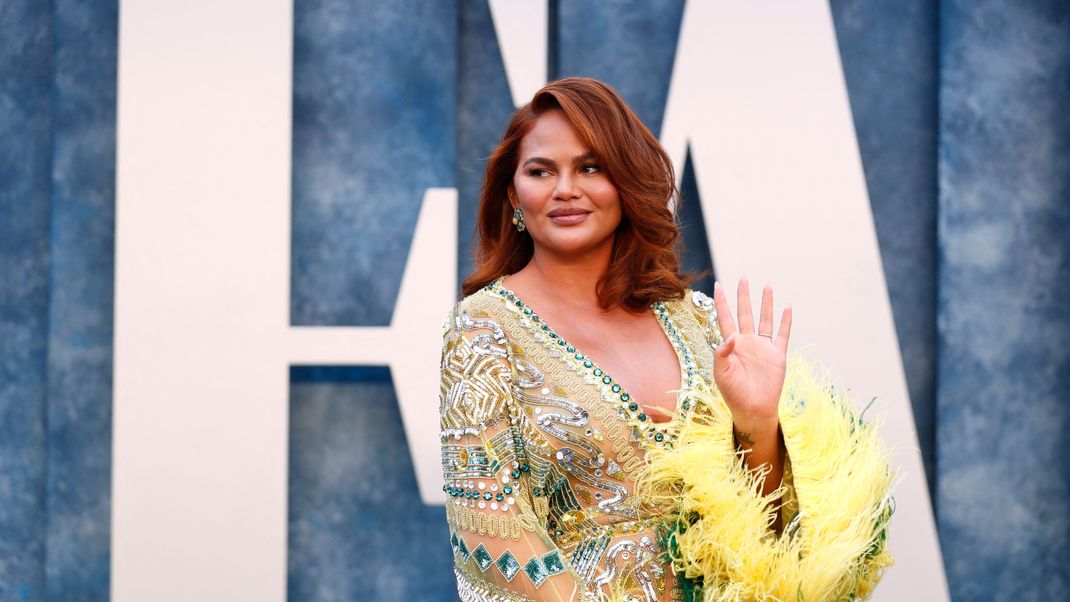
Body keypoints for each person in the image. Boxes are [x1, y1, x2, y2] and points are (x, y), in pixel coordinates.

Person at [439, 77, 893, 602]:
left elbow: (768, 538)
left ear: (627, 182)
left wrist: (759, 426)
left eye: (591, 167)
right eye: (541, 171)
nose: (566, 188)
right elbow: (491, 531)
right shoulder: (483, 329)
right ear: (514, 195)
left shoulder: (696, 322)